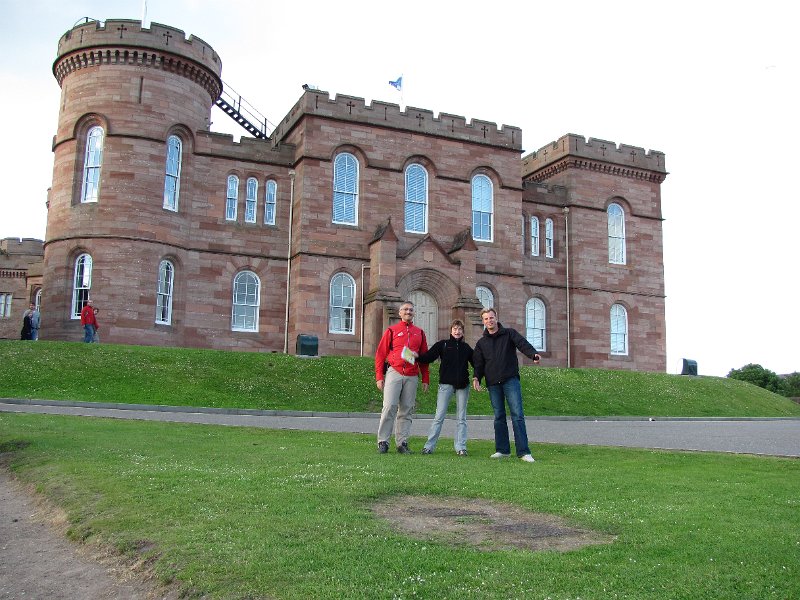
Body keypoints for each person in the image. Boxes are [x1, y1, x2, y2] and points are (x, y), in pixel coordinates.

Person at [472, 307, 540, 463]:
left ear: (496, 318)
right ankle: (503, 450)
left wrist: (533, 354)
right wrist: (476, 377)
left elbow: (522, 344)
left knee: (517, 415)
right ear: (483, 322)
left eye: (491, 317)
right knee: (499, 417)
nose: (489, 321)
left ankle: (524, 452)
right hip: (493, 383)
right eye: (486, 319)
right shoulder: (481, 343)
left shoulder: (509, 333)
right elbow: (479, 363)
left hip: (510, 380)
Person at [374, 301, 430, 454]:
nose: (408, 312)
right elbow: (380, 354)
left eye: (411, 310)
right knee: (389, 407)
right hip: (395, 372)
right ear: (400, 313)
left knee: (406, 410)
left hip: (412, 375)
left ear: (414, 313)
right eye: (405, 309)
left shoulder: (420, 332)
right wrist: (379, 376)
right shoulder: (392, 330)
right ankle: (383, 441)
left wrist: (425, 378)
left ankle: (402, 443)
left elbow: (423, 358)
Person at [414, 319, 473, 456]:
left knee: (461, 418)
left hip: (463, 386)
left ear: (463, 332)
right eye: (455, 329)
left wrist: (480, 374)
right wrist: (414, 356)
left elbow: (477, 363)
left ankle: (461, 447)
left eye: (459, 329)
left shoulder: (466, 348)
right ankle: (429, 446)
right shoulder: (443, 345)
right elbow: (427, 357)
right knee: (439, 416)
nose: (457, 332)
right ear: (451, 330)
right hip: (445, 385)